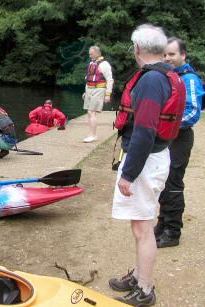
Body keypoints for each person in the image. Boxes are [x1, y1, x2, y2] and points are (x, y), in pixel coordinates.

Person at [109, 24, 186, 306]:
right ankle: (139, 275)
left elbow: (144, 131)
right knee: (140, 225)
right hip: (154, 157)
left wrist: (127, 174)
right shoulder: (165, 75)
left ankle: (145, 288)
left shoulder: (151, 81)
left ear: (137, 49)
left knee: (143, 229)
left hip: (146, 160)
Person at [155, 37, 204, 248]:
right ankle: (163, 222)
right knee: (162, 180)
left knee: (173, 182)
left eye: (172, 54)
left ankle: (173, 231)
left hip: (180, 138)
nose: (168, 58)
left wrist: (165, 127)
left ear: (183, 55)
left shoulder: (189, 79)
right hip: (166, 137)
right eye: (165, 54)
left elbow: (192, 112)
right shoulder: (168, 76)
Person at [82, 45, 114, 142]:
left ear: (97, 53)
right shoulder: (91, 63)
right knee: (89, 112)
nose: (90, 56)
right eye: (89, 54)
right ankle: (92, 133)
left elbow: (110, 80)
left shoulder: (104, 64)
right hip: (89, 89)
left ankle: (93, 135)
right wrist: (85, 92)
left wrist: (108, 94)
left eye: (91, 54)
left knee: (92, 112)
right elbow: (88, 79)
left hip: (98, 90)